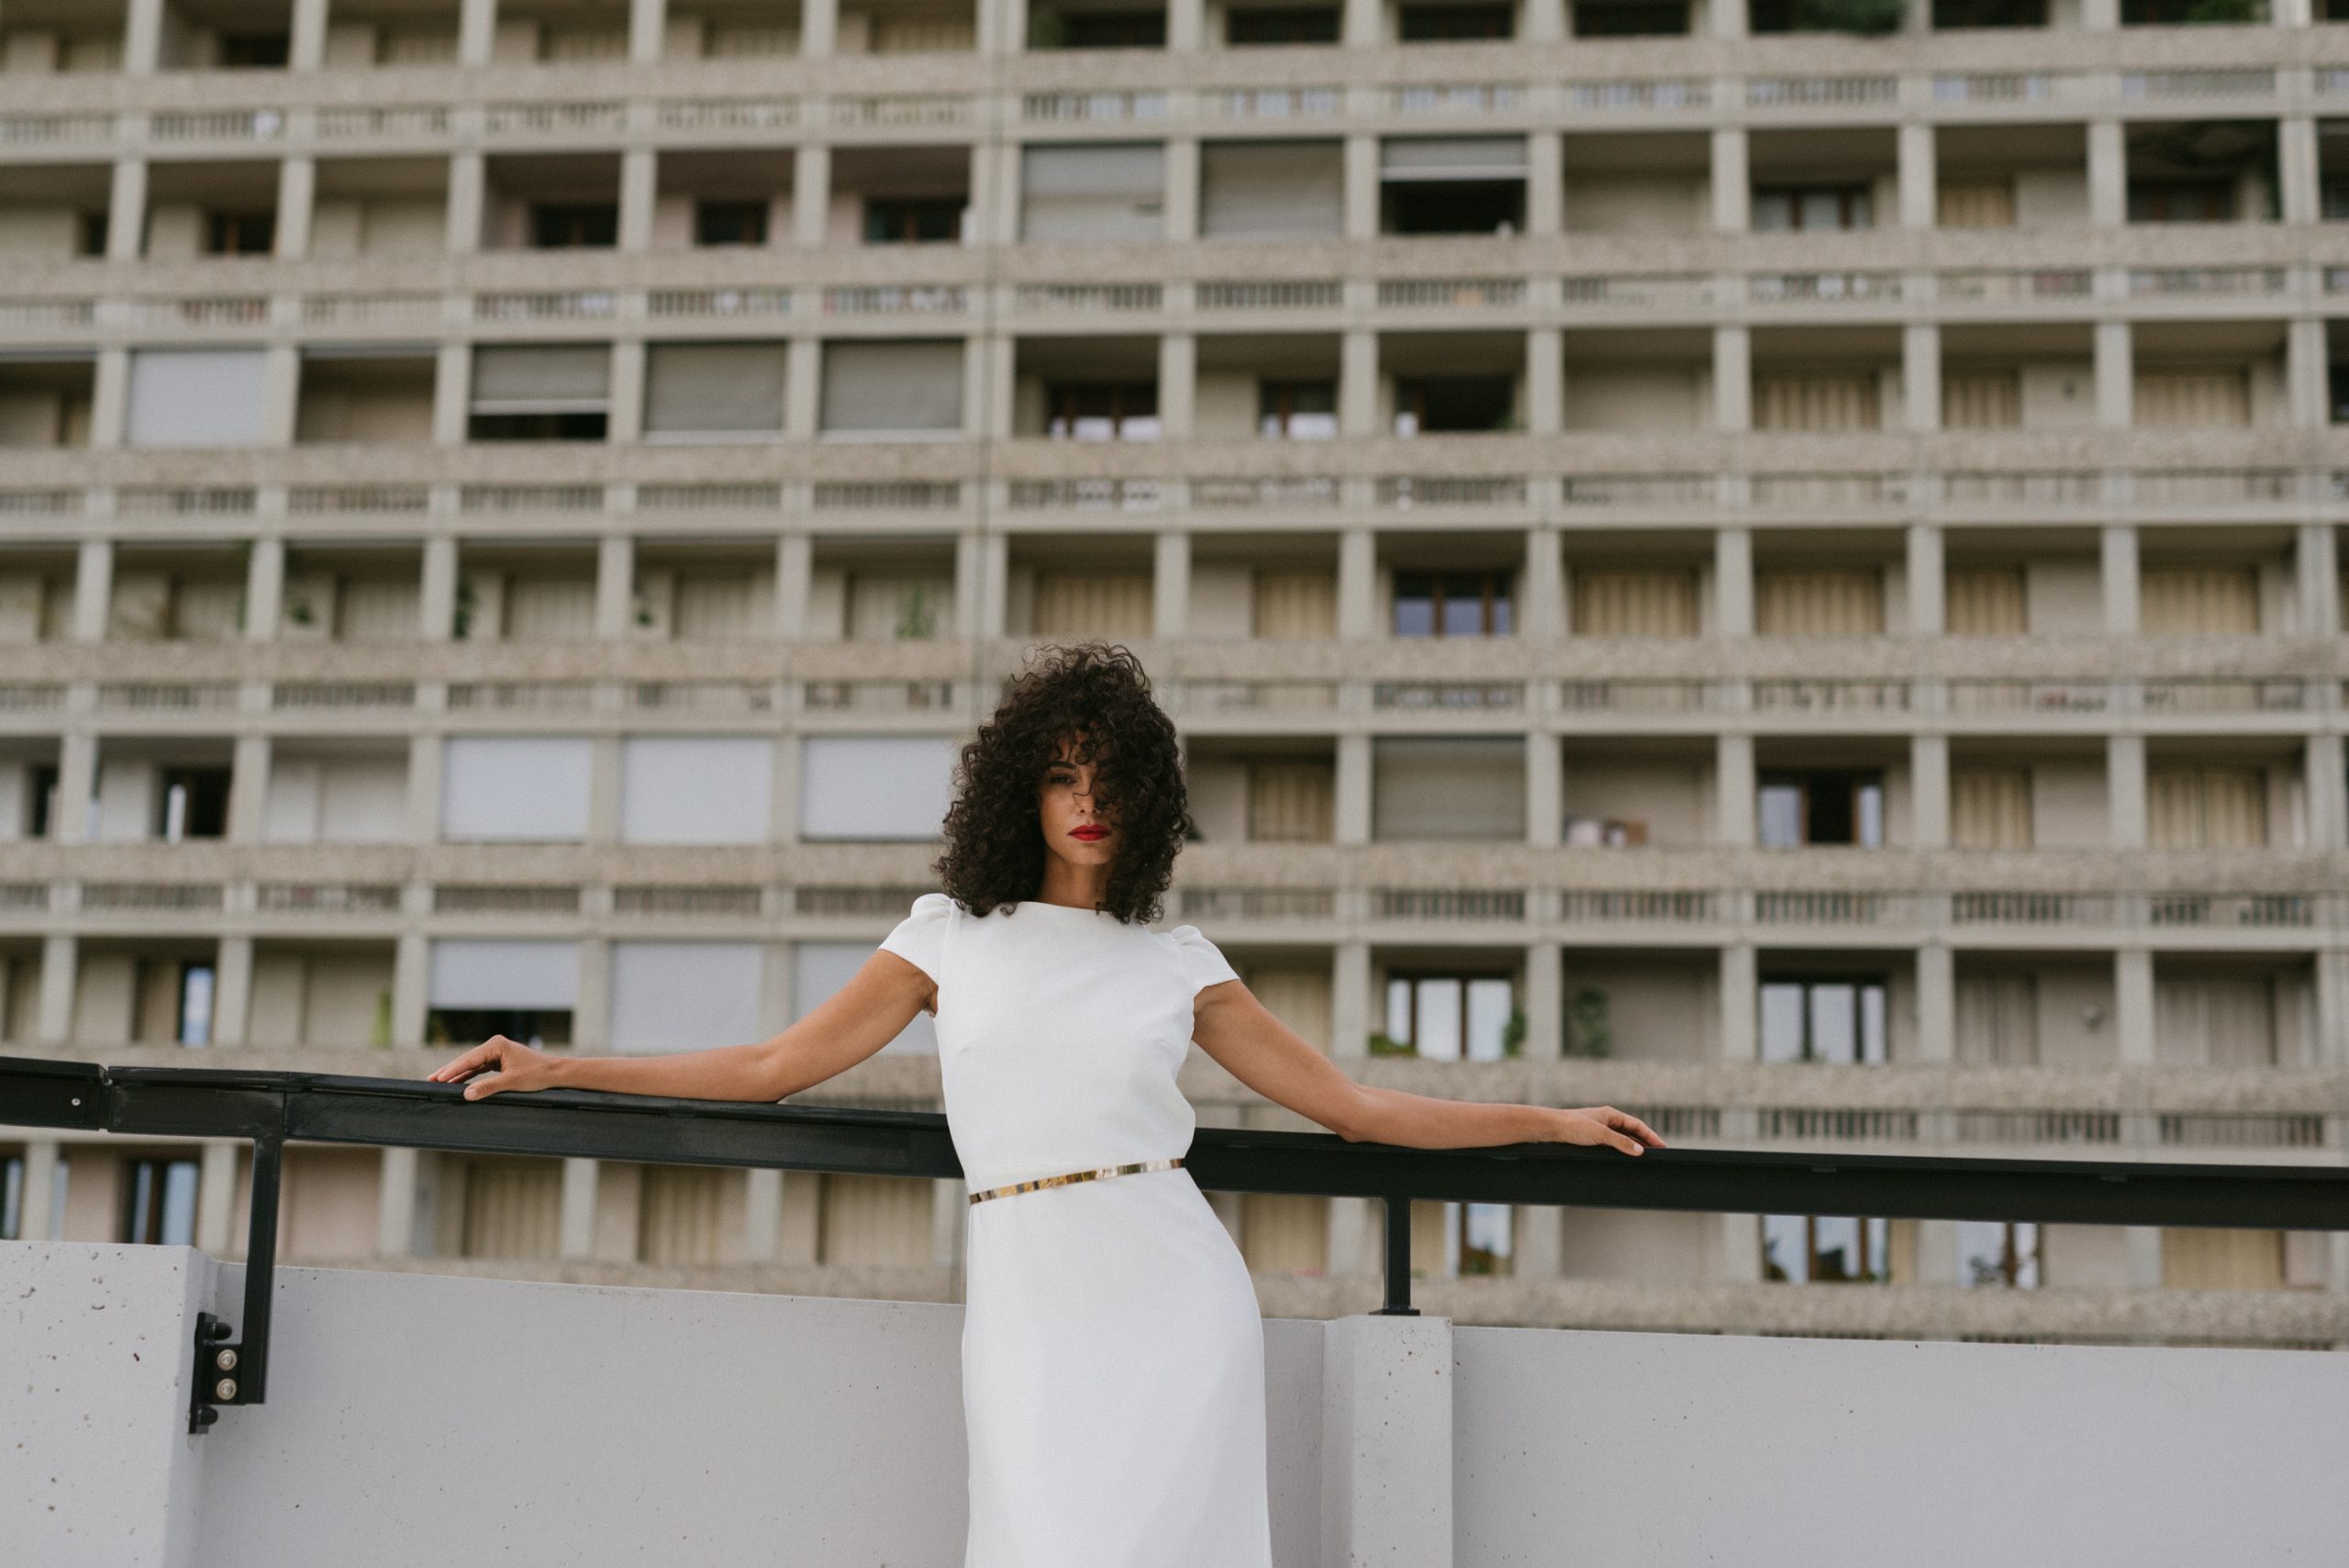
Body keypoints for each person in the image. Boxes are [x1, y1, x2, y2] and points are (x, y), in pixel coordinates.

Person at [425, 639, 1664, 1567]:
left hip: (1176, 1302)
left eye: (1110, 774)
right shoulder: (950, 938)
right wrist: (558, 1065)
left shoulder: (1180, 960)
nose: (1086, 797)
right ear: (1018, 789)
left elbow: (1350, 1105)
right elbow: (769, 1068)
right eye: (1062, 772)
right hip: (1029, 1301)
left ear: (1150, 800)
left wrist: (1547, 1121)